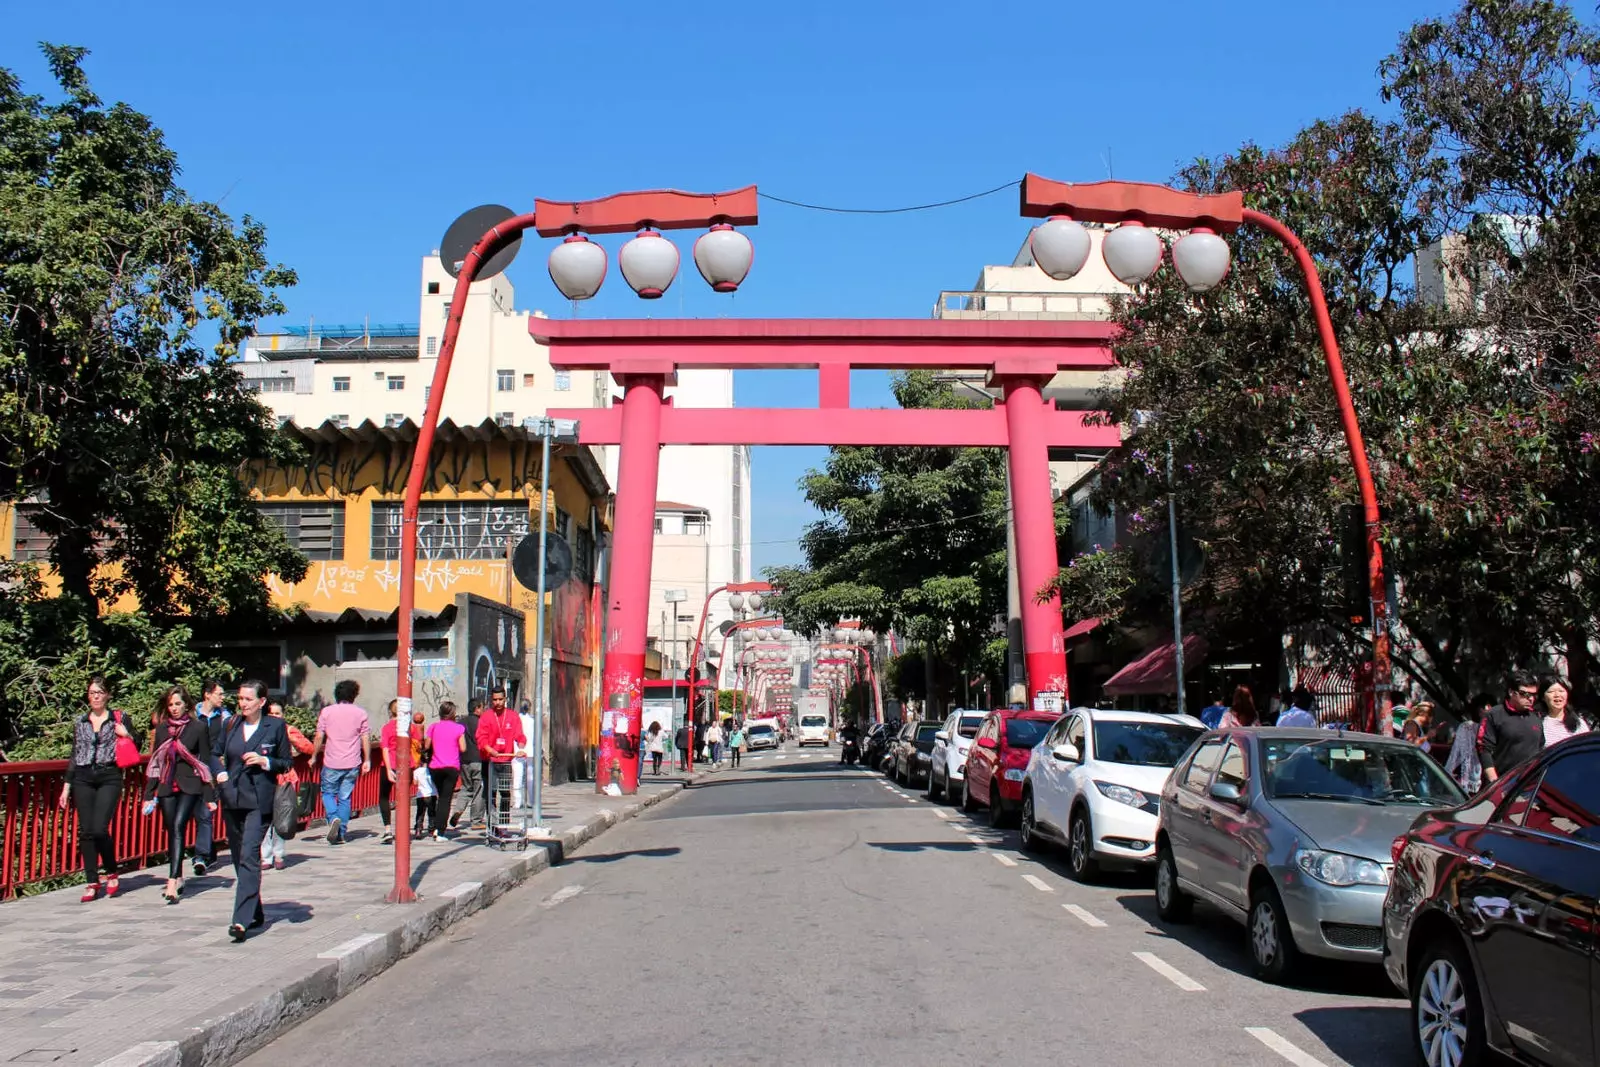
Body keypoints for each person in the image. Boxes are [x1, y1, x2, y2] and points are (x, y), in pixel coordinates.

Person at [217, 680, 291, 942]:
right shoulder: (231, 724)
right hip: (233, 798)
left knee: (249, 854)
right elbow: (215, 755)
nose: (243, 704)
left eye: (248, 699)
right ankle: (255, 910)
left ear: (262, 702)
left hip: (259, 802)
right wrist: (221, 774)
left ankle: (240, 920)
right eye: (240, 699)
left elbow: (285, 762)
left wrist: (265, 761)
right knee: (238, 857)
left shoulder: (275, 726)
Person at [58, 676, 142, 902]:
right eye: (92, 692)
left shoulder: (119, 717)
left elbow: (139, 743)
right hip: (83, 776)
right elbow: (75, 754)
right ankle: (91, 881)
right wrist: (66, 786)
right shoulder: (81, 721)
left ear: (107, 695)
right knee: (85, 830)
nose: (95, 696)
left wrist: (127, 734)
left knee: (98, 828)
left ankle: (112, 871)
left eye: (99, 692)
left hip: (109, 775)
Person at [144, 685, 214, 904]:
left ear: (187, 705)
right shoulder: (163, 729)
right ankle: (179, 873)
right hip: (167, 782)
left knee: (178, 825)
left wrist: (210, 794)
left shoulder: (198, 728)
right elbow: (157, 760)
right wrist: (149, 793)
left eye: (178, 704)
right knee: (171, 828)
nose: (174, 708)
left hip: (190, 783)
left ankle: (173, 879)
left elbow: (204, 761)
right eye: (171, 705)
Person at [312, 679, 371, 845]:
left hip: (332, 760)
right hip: (352, 761)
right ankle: (341, 833)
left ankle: (333, 817)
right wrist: (367, 759)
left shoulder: (327, 712)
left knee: (328, 793)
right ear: (354, 695)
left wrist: (313, 756)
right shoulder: (361, 713)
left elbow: (319, 736)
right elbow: (365, 737)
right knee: (345, 797)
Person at [260, 701, 314, 870]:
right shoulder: (260, 731)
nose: (275, 717)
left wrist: (292, 748)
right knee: (264, 819)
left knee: (281, 817)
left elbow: (309, 747)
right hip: (263, 778)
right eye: (271, 714)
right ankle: (265, 856)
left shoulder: (288, 730)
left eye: (277, 713)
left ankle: (278, 854)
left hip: (283, 779)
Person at [191, 679, 230, 876]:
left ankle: (201, 856)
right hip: (189, 770)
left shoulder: (224, 717)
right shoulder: (191, 714)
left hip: (211, 770)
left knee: (206, 813)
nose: (222, 698)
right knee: (195, 814)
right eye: (219, 694)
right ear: (207, 694)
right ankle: (210, 850)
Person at [1479, 671, 1546, 784]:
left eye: (1533, 695)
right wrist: (1494, 782)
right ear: (1511, 692)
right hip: (1502, 784)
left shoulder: (1536, 717)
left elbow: (1540, 748)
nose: (1530, 699)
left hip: (1530, 785)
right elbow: (1484, 749)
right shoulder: (1494, 714)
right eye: (1524, 694)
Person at [475, 684, 525, 822]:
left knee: (504, 792)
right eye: (495, 700)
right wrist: (490, 750)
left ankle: (503, 822)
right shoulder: (486, 716)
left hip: (505, 761)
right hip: (489, 760)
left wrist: (520, 748)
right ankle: (492, 824)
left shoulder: (512, 716)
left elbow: (519, 735)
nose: (498, 703)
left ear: (505, 699)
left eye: (500, 699)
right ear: (492, 700)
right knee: (490, 793)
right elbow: (481, 737)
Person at [425, 702, 466, 839]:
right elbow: (463, 748)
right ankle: (440, 830)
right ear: (453, 713)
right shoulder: (459, 728)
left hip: (435, 766)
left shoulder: (433, 727)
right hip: (451, 767)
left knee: (436, 796)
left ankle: (432, 825)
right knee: (445, 799)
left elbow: (427, 745)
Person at [450, 699, 486, 830]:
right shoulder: (480, 723)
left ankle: (458, 810)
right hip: (478, 760)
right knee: (479, 790)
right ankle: (476, 820)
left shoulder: (460, 722)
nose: (483, 710)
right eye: (482, 707)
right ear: (477, 708)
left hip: (463, 760)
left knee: (466, 787)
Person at [1445, 694, 1488, 794]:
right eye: (1485, 707)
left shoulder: (1494, 728)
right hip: (1469, 776)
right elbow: (1456, 753)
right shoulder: (1466, 727)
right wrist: (1449, 771)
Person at [1540, 677, 1589, 746]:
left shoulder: (1579, 723)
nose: (1557, 695)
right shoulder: (1539, 724)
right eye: (1551, 692)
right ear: (1543, 697)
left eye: (1561, 691)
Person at [377, 700, 401, 844]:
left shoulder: (387, 727)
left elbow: (384, 748)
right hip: (405, 765)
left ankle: (387, 828)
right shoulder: (409, 727)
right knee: (403, 798)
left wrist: (387, 769)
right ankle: (403, 828)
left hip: (389, 763)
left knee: (384, 797)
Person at [512, 700, 537, 809]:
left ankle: (518, 801)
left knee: (517, 777)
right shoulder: (532, 720)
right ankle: (531, 801)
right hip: (530, 751)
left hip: (517, 750)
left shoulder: (515, 719)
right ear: (529, 707)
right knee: (530, 778)